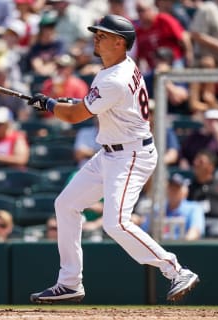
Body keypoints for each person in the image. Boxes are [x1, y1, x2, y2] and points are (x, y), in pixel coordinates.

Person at [26, 14, 199, 304]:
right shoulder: (115, 68)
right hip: (111, 152)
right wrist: (65, 104)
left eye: (103, 34)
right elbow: (91, 107)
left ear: (120, 42)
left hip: (131, 154)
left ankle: (176, 270)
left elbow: (73, 116)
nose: (96, 37)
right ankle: (69, 282)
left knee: (115, 223)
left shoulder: (114, 78)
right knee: (66, 204)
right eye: (97, 33)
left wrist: (49, 104)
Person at [141, 173, 205, 241]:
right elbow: (144, 231)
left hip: (183, 248)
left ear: (185, 191)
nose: (173, 191)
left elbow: (195, 232)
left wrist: (183, 246)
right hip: (158, 247)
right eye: (171, 188)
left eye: (177, 189)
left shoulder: (194, 208)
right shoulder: (157, 209)